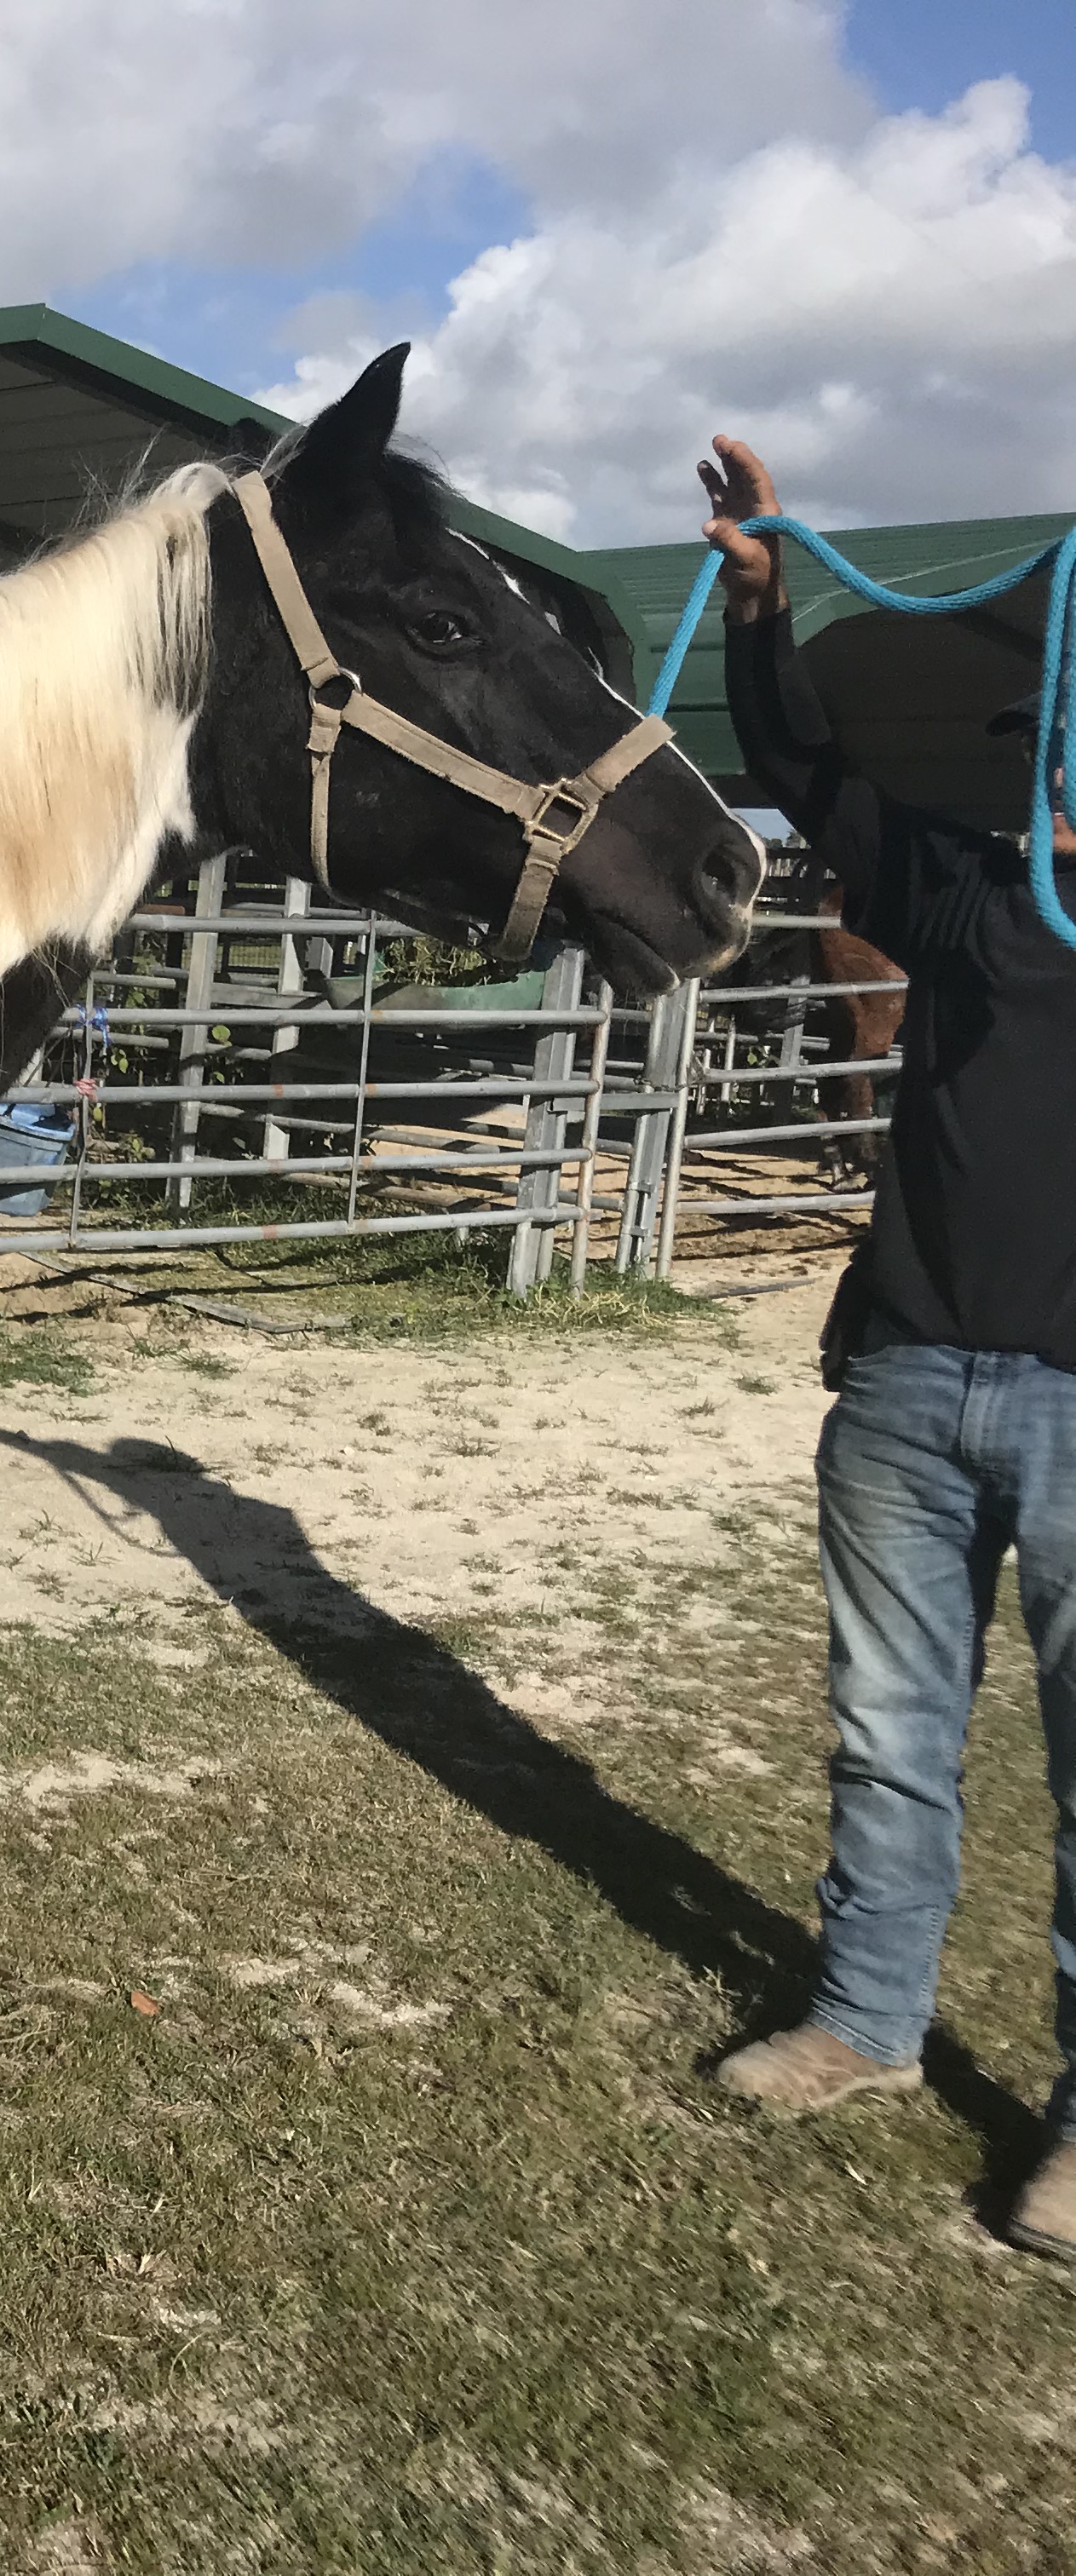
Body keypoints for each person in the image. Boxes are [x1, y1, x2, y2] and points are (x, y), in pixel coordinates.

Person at [696, 434, 1076, 2260]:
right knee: (891, 1732)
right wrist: (765, 604)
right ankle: (865, 2020)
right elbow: (801, 776)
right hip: (913, 1372)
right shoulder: (962, 892)